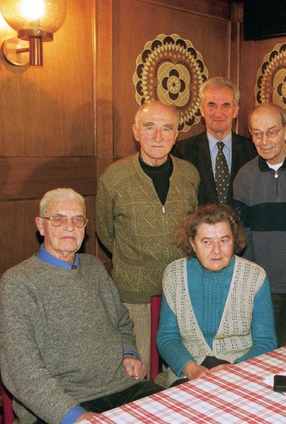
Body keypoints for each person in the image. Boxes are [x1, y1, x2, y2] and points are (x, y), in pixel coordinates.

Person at [0, 188, 163, 424]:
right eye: (58, 219)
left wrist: (129, 352)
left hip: (122, 388)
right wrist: (76, 416)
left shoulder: (94, 267)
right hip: (62, 405)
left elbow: (122, 321)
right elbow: (22, 372)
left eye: (77, 219)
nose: (69, 226)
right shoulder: (18, 282)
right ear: (41, 225)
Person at [96, 101, 199, 368]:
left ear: (176, 135)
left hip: (180, 290)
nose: (158, 136)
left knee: (181, 367)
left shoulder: (189, 174)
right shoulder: (114, 177)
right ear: (135, 131)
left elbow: (195, 229)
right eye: (149, 127)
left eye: (166, 128)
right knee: (138, 369)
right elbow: (106, 232)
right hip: (134, 293)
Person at [156, 204, 277, 387]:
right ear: (192, 243)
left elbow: (266, 341)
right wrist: (190, 368)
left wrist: (235, 369)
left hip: (242, 368)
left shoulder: (254, 277)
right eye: (206, 241)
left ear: (234, 241)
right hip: (188, 371)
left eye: (224, 240)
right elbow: (167, 337)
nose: (217, 250)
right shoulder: (174, 275)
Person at [233, 103, 286, 346]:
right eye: (257, 134)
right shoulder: (244, 176)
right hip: (263, 287)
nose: (264, 141)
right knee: (267, 355)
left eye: (272, 132)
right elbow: (242, 236)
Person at [172, 77, 257, 206]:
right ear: (201, 109)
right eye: (211, 105)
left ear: (235, 111)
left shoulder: (254, 150)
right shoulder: (181, 152)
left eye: (225, 106)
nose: (218, 113)